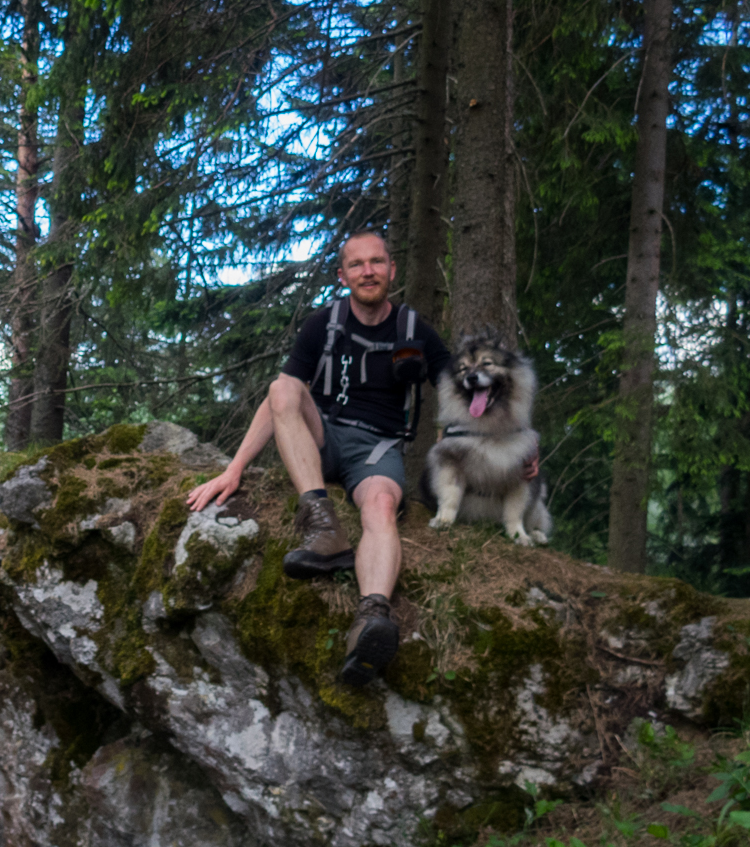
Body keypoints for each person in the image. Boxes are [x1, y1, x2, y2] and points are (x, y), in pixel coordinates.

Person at [186, 231, 532, 686]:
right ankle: (321, 523)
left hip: (378, 449)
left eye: (376, 262)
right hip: (322, 437)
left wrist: (518, 446)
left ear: (392, 269)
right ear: (342, 275)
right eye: (356, 265)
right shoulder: (321, 325)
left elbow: (467, 391)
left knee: (382, 507)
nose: (367, 271)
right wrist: (234, 469)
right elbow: (280, 403)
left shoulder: (416, 332)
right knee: (283, 387)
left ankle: (371, 620)